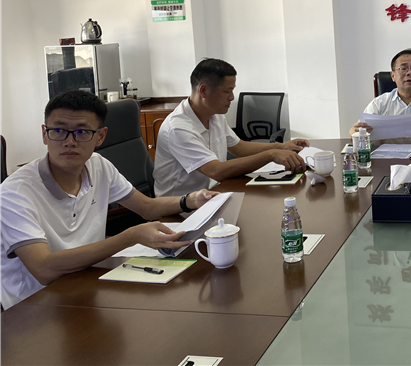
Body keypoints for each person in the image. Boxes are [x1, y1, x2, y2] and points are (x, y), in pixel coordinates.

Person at [0, 90, 219, 309]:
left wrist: (190, 200)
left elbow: (147, 207)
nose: (70, 141)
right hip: (33, 307)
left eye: (82, 132)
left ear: (100, 136)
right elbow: (44, 269)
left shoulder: (99, 166)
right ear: (44, 134)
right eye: (58, 130)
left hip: (85, 284)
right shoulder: (15, 193)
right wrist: (129, 237)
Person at [154, 59, 309, 197]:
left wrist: (281, 146)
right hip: (180, 212)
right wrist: (271, 154)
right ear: (203, 91)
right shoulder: (178, 128)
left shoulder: (215, 116)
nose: (232, 97)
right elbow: (216, 171)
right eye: (227, 91)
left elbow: (239, 147)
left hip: (214, 194)